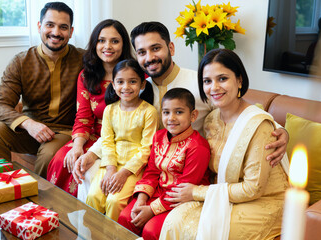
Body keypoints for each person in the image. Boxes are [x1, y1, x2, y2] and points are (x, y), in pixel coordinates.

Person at [72, 21, 289, 187]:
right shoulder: (139, 88)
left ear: (171, 48)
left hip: (188, 171)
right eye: (142, 52)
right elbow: (119, 127)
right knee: (91, 179)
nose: (149, 58)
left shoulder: (199, 82)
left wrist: (279, 130)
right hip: (147, 168)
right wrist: (91, 153)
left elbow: (239, 110)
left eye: (155, 48)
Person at [159, 49, 290, 240]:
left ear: (239, 80)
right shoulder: (211, 120)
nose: (214, 88)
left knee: (203, 232)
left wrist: (196, 192)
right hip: (225, 194)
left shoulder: (260, 127)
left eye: (222, 79)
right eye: (207, 81)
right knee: (175, 221)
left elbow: (253, 188)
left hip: (264, 201)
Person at [0, 2, 84, 178]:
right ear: (39, 26)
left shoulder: (83, 59)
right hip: (29, 131)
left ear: (71, 32)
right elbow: (0, 105)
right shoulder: (21, 61)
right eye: (50, 25)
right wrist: (28, 124)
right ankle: (6, 184)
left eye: (63, 27)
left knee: (48, 155)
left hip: (63, 131)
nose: (56, 32)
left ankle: (37, 201)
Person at [46, 19, 133, 196]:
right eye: (101, 40)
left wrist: (93, 153)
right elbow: (83, 117)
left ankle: (86, 221)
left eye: (114, 41)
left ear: (123, 45)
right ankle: (60, 217)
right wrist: (77, 146)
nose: (107, 46)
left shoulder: (135, 77)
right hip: (92, 135)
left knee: (87, 170)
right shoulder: (86, 76)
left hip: (124, 139)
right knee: (62, 159)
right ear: (94, 44)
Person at [118, 88, 211, 240]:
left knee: (151, 230)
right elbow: (151, 172)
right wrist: (141, 200)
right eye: (166, 112)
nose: (171, 118)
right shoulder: (159, 136)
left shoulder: (198, 146)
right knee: (126, 217)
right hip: (156, 193)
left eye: (179, 112)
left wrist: (151, 210)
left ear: (193, 115)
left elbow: (184, 188)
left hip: (182, 200)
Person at [84, 59, 158, 221]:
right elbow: (107, 142)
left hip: (134, 168)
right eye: (120, 82)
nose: (126, 87)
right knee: (94, 196)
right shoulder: (109, 110)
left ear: (142, 84)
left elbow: (147, 148)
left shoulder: (149, 112)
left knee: (114, 201)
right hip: (110, 164)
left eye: (132, 81)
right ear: (113, 84)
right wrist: (111, 169)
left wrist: (123, 173)